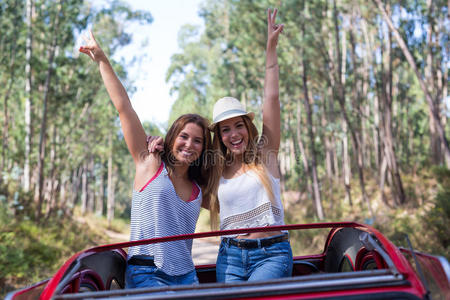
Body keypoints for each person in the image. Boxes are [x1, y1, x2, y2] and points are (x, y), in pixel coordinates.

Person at [79, 31, 217, 288]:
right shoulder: (150, 163)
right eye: (184, 136)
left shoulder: (200, 189)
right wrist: (102, 60)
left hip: (188, 277)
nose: (189, 144)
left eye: (197, 141)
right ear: (172, 136)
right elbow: (124, 107)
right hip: (147, 273)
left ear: (203, 148)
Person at [208, 8, 293, 282]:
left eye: (239, 125)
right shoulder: (215, 174)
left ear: (248, 127)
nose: (234, 134)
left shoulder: (266, 155)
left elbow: (272, 98)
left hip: (272, 255)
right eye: (225, 129)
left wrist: (271, 49)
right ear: (219, 136)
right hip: (230, 258)